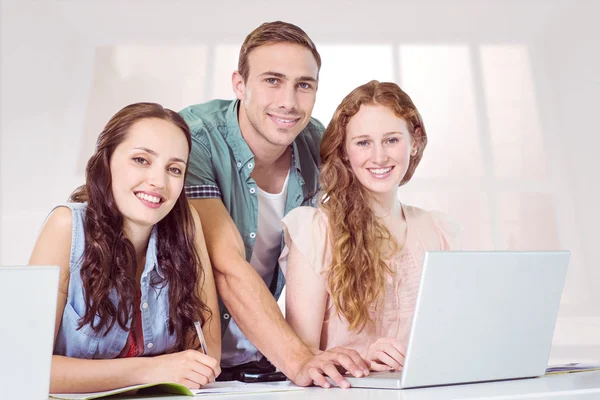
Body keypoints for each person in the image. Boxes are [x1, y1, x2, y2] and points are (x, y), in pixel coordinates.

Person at [180, 21, 369, 388]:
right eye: (272, 80)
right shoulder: (195, 137)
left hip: (263, 359)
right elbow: (225, 265)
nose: (288, 101)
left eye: (304, 85)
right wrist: (299, 359)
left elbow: (356, 237)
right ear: (240, 84)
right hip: (189, 358)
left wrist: (366, 346)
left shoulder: (318, 143)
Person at [29, 103, 221, 393]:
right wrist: (152, 369)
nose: (158, 181)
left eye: (174, 168)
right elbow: (23, 365)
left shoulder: (185, 225)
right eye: (141, 160)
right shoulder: (66, 226)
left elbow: (205, 356)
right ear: (106, 161)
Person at [281, 80, 461, 372]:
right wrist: (364, 360)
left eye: (392, 140)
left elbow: (453, 342)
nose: (379, 157)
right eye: (363, 142)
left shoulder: (439, 231)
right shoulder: (315, 232)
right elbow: (300, 360)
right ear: (344, 152)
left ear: (414, 143)